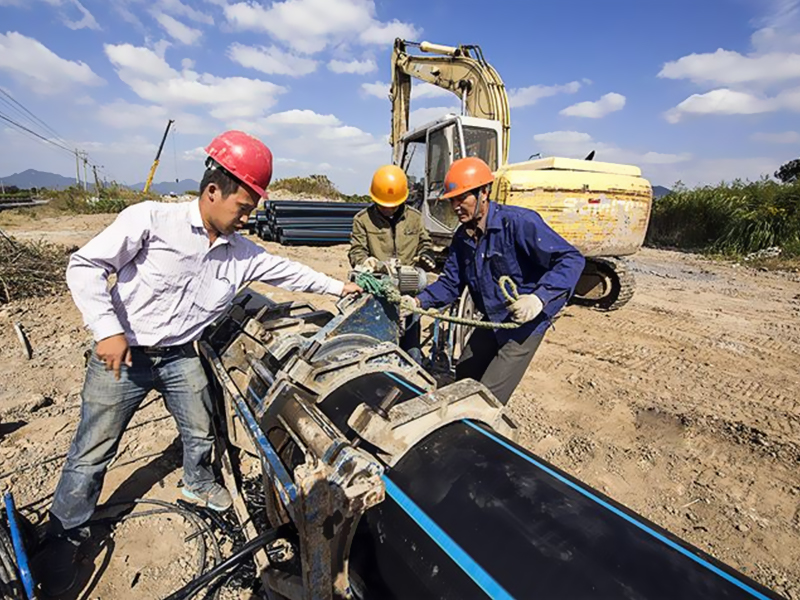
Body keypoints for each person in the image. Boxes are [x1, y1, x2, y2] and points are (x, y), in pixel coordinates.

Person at [35, 130, 362, 596]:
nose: (247, 218)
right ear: (213, 191)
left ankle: (196, 482)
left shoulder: (242, 253)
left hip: (179, 355)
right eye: (243, 208)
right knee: (93, 449)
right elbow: (85, 266)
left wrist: (338, 288)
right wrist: (106, 330)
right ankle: (65, 533)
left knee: (201, 426)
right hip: (124, 355)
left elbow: (291, 271)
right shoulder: (150, 220)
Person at [405, 156, 585, 405]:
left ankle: (477, 432)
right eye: (453, 200)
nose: (456, 206)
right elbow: (450, 284)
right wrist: (418, 301)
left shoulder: (519, 222)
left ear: (484, 193)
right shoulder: (462, 238)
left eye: (463, 198)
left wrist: (538, 299)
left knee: (487, 396)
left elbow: (571, 259)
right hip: (493, 317)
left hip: (524, 324)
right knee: (466, 373)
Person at [348, 164, 436, 362]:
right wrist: (365, 262)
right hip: (378, 294)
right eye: (384, 205)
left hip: (409, 293)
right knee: (379, 346)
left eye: (393, 204)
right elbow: (356, 250)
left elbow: (425, 242)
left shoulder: (414, 218)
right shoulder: (363, 220)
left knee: (411, 350)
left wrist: (426, 254)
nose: (389, 208)